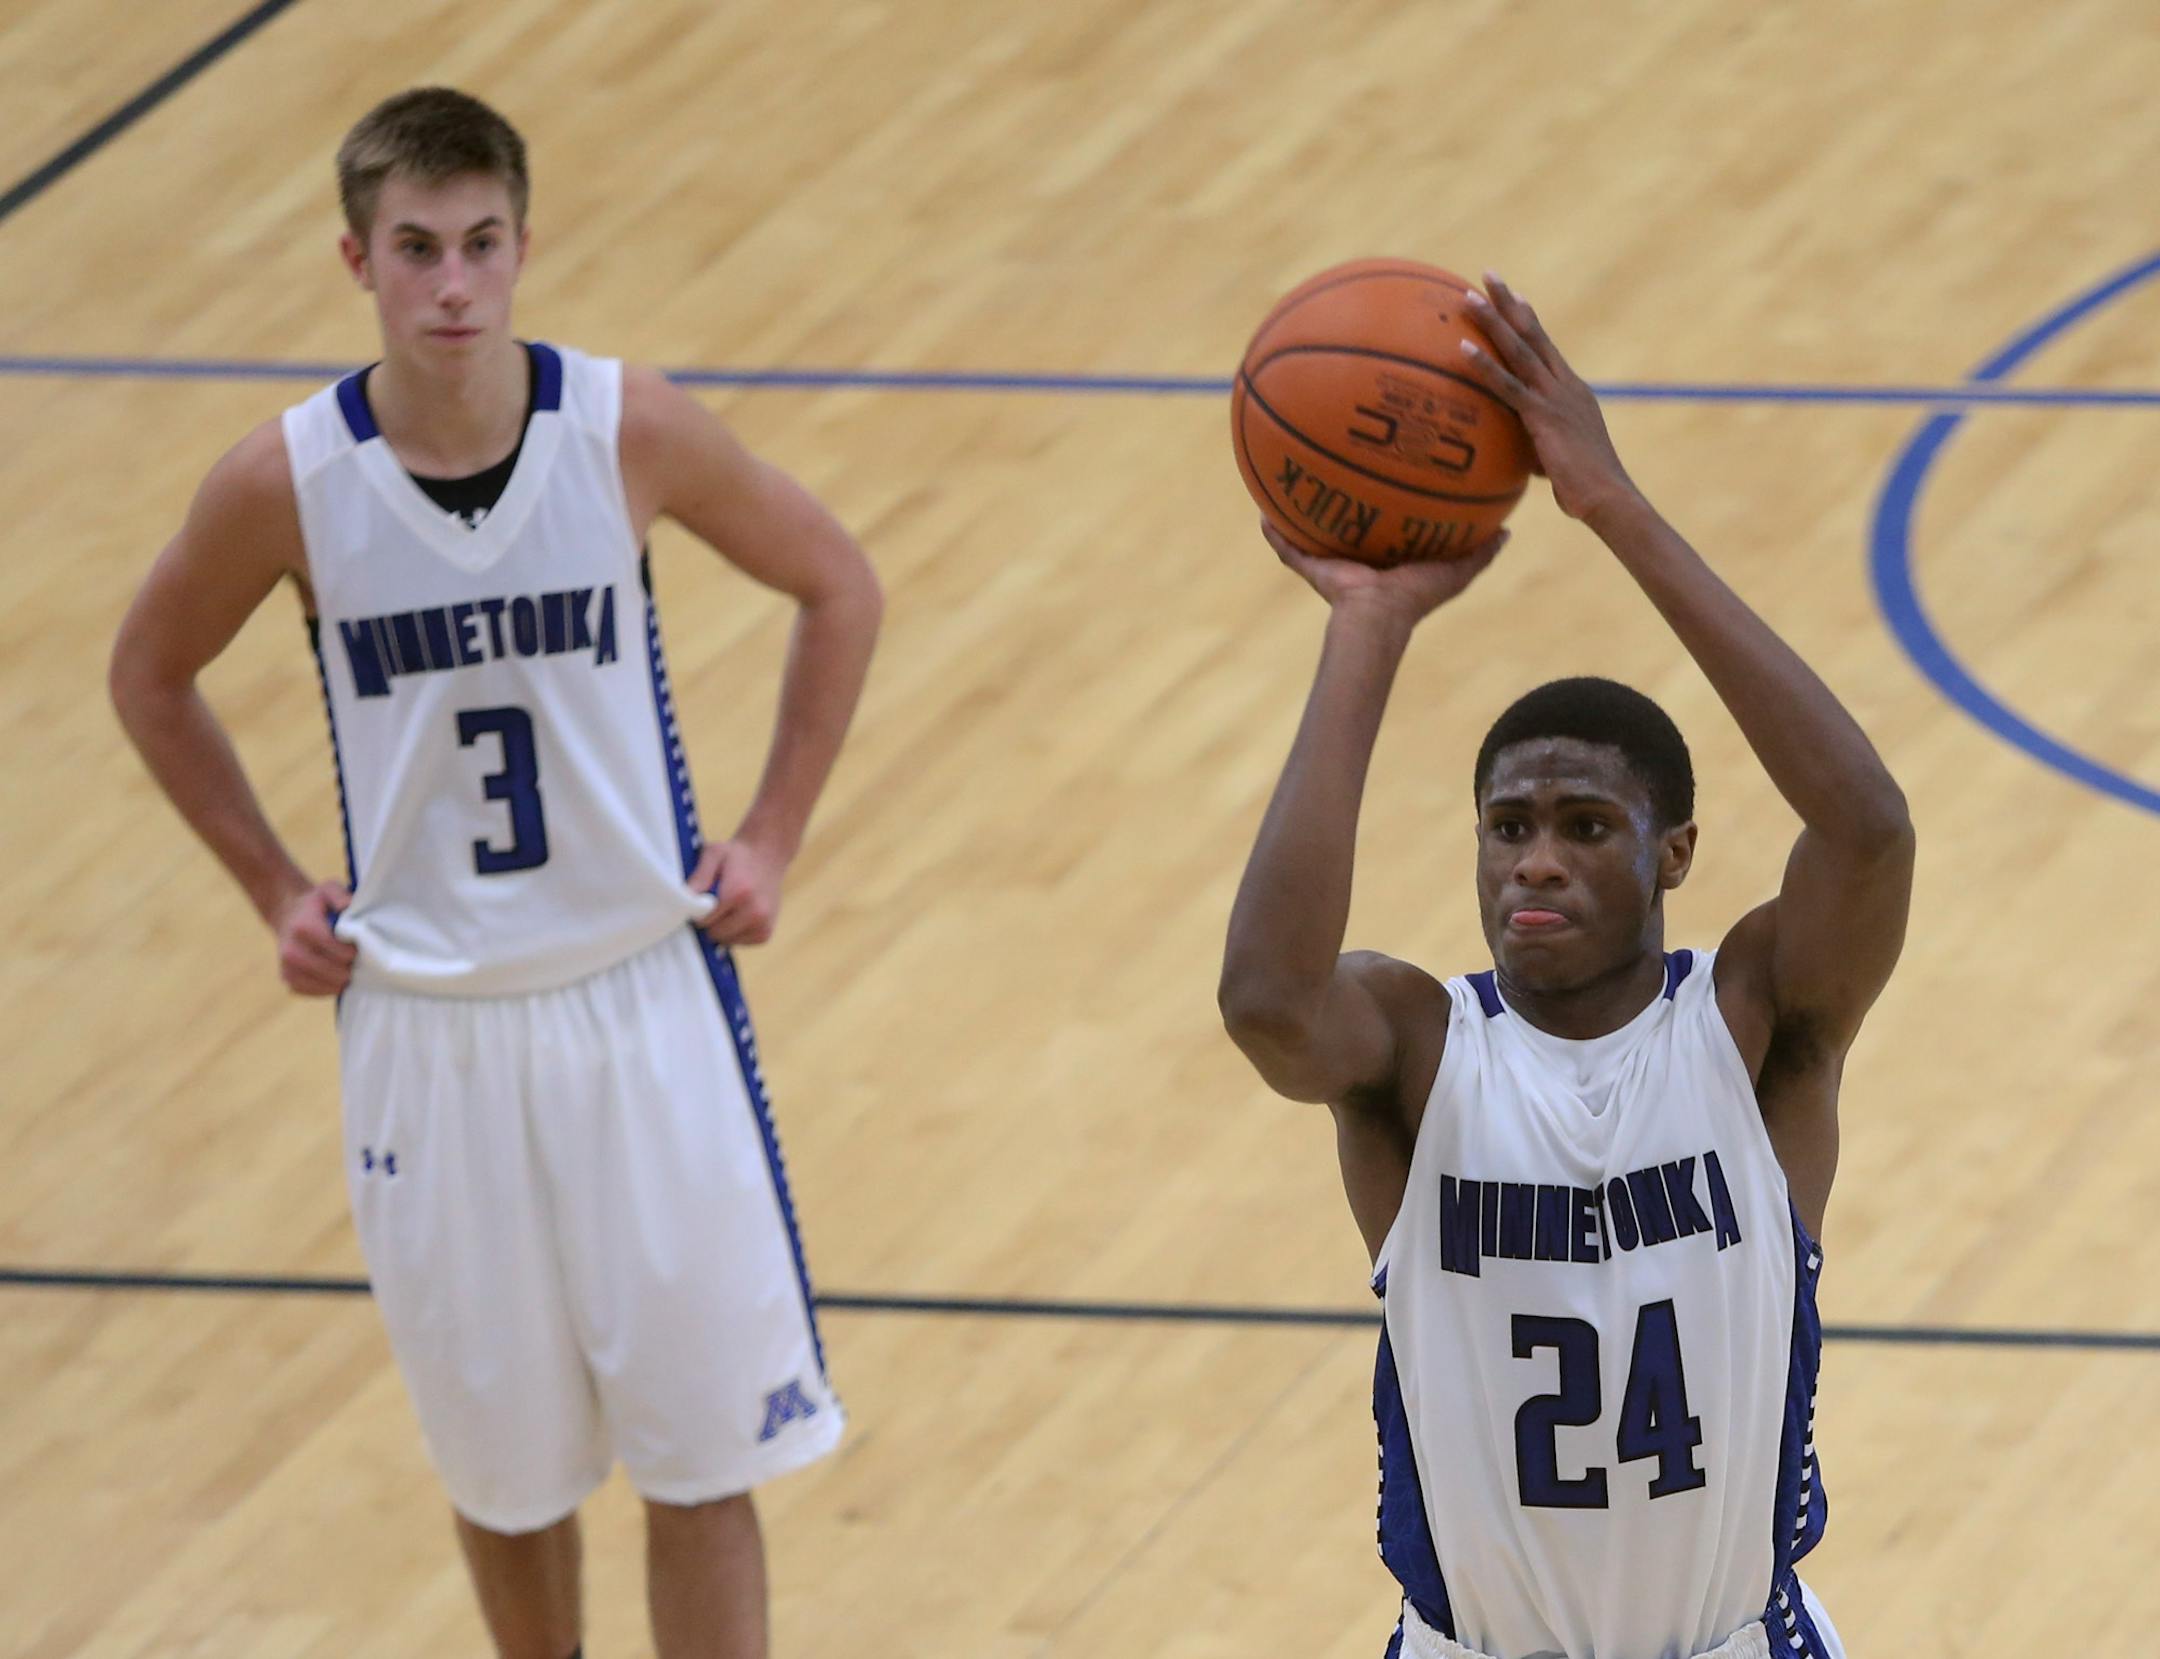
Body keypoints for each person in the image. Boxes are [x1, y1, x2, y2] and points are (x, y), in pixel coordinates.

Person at [109, 88, 882, 1659]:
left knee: (703, 1456)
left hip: (637, 1000)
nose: (451, 284)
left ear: (524, 248)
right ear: (356, 261)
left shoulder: (624, 428)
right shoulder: (287, 482)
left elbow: (837, 584)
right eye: (415, 251)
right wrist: (270, 885)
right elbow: (148, 674)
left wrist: (775, 833)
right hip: (428, 1026)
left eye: (479, 246)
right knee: (507, 1475)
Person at [1217, 275, 1913, 1659]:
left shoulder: (1758, 1027)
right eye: (1508, 827)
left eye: (1587, 827)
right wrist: (1367, 627)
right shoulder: (1418, 1053)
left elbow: (1868, 829)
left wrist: (1613, 508)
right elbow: (1266, 1005)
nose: (1534, 860)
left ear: (1674, 854)